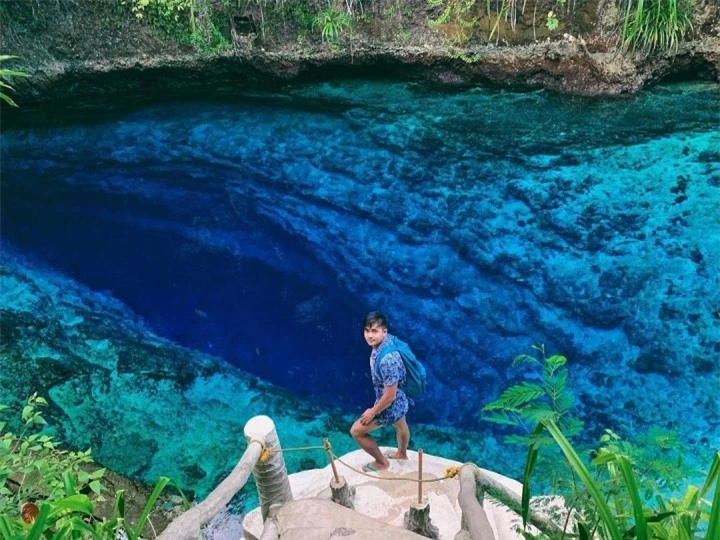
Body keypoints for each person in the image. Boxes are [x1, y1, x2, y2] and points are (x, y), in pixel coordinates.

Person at [350, 311, 410, 472]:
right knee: (401, 426)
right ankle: (401, 454)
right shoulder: (387, 342)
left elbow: (389, 396)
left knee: (356, 431)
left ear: (385, 331)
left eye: (374, 331)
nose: (369, 336)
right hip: (401, 400)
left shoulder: (387, 360)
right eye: (367, 331)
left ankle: (382, 463)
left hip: (389, 406)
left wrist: (372, 412)